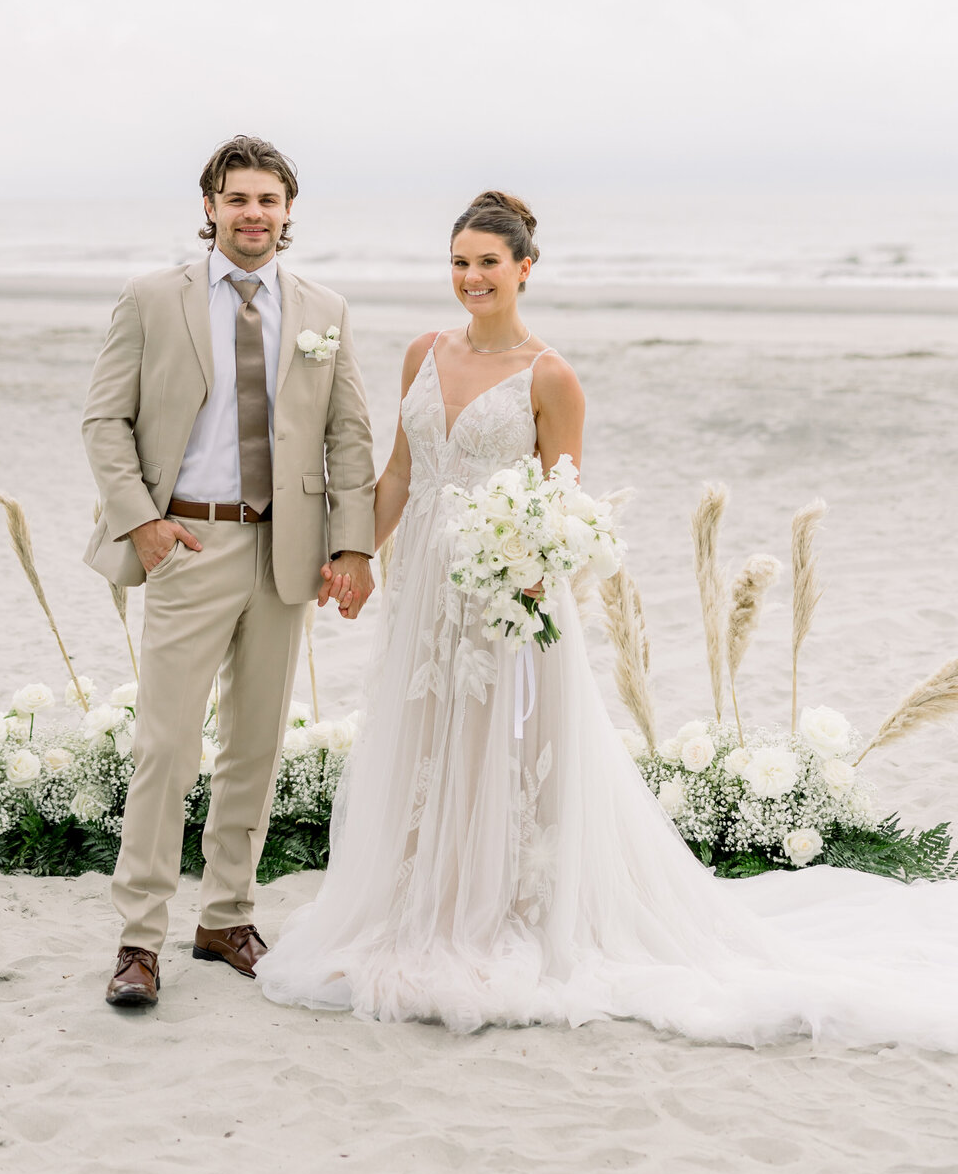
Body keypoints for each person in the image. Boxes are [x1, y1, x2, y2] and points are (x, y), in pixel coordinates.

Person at [257, 190, 958, 1047]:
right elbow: (402, 470)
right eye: (459, 262)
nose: (471, 278)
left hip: (506, 595)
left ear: (523, 268)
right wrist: (357, 553)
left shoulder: (551, 375)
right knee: (424, 732)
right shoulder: (421, 353)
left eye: (487, 263)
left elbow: (563, 506)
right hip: (425, 589)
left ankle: (499, 912)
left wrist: (524, 579)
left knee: (499, 748)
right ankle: (419, 904)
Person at [83, 135, 376, 1007]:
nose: (254, 214)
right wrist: (144, 525)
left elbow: (349, 435)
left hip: (285, 551)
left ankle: (226, 917)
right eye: (237, 199)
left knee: (253, 745)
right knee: (166, 748)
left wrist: (351, 545)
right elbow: (105, 422)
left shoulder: (322, 307)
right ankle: (139, 940)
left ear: (288, 212)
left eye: (269, 201)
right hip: (188, 545)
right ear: (209, 206)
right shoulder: (151, 299)